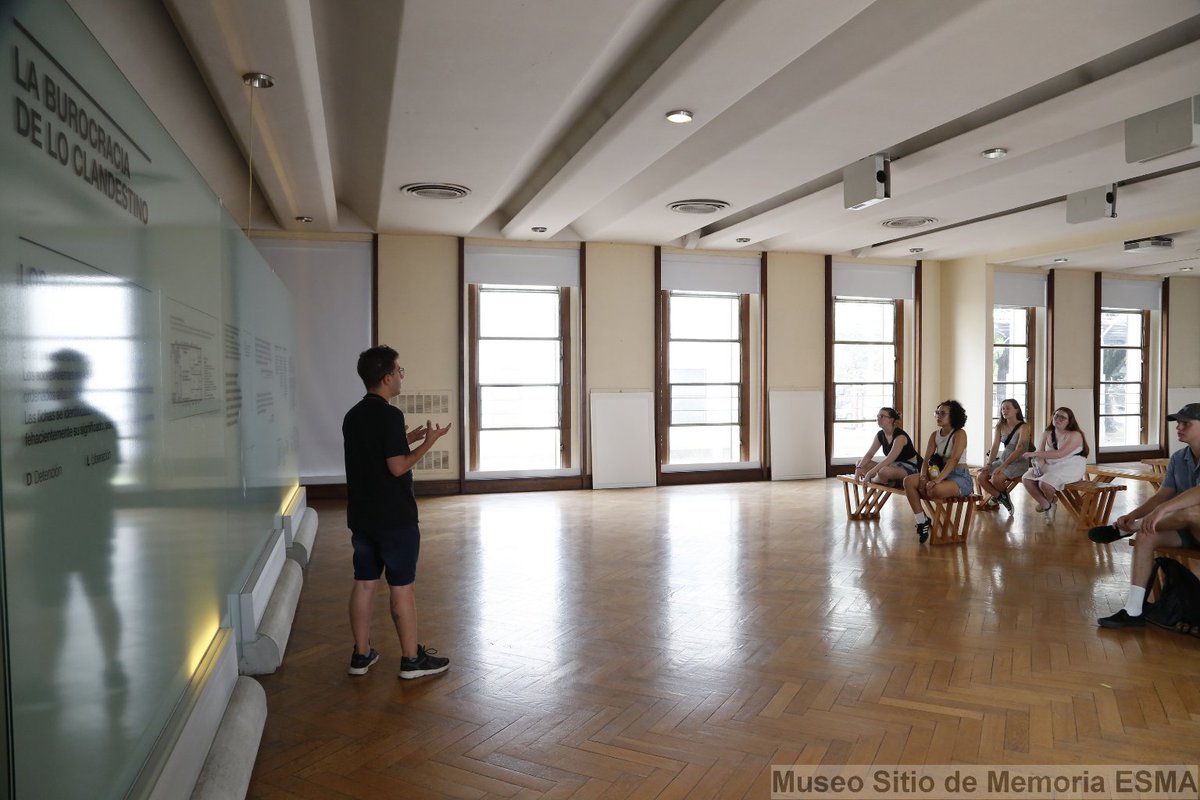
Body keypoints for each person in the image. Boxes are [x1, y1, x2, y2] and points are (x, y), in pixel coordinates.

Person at [342, 345, 452, 678]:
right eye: (400, 371)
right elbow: (396, 467)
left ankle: (361, 655)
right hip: (394, 517)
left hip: (362, 516)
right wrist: (428, 442)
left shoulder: (353, 415)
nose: (402, 376)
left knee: (364, 584)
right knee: (401, 587)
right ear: (388, 377)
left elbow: (372, 453)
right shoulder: (390, 415)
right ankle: (411, 660)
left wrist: (406, 437)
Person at [1091, 403, 1200, 629]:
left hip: (1193, 520)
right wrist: (1132, 515)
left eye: (1186, 423)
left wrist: (1161, 512)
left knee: (1190, 511)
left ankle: (1134, 528)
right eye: (1177, 423)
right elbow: (1163, 495)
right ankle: (1133, 611)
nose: (1179, 427)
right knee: (1147, 535)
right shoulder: (1180, 458)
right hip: (1190, 531)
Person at [903, 400, 972, 543]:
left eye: (943, 413)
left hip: (959, 477)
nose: (938, 416)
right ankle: (922, 520)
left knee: (933, 490)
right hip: (939, 473)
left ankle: (935, 490)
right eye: (937, 413)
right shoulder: (935, 434)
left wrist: (935, 481)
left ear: (953, 416)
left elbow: (953, 460)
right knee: (908, 481)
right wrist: (923, 477)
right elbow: (926, 458)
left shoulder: (960, 434)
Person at [1020, 407, 1088, 523]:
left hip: (1070, 466)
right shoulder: (1047, 433)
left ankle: (1047, 502)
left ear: (1069, 421)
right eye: (1056, 416)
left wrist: (1033, 453)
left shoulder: (1076, 435)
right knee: (1026, 478)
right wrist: (1038, 468)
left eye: (1063, 417)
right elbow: (1041, 455)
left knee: (1044, 483)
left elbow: (1060, 454)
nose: (1058, 419)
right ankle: (1047, 505)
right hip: (1050, 464)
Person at [977, 398, 1034, 515]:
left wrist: (1003, 466)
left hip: (1018, 463)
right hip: (1003, 460)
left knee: (996, 479)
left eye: (1008, 408)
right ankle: (1002, 497)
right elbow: (995, 446)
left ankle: (997, 498)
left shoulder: (1024, 427)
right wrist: (988, 464)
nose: (1004, 411)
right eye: (1002, 408)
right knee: (980, 476)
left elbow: (1019, 449)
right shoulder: (1000, 426)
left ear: (1016, 410)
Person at [852, 407, 921, 486]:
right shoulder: (880, 434)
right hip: (893, 466)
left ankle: (875, 479)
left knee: (884, 471)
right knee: (860, 463)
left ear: (891, 420)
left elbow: (889, 459)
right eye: (878, 416)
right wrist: (859, 468)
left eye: (882, 416)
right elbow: (870, 454)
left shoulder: (900, 436)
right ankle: (884, 479)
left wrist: (869, 473)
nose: (878, 418)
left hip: (910, 467)